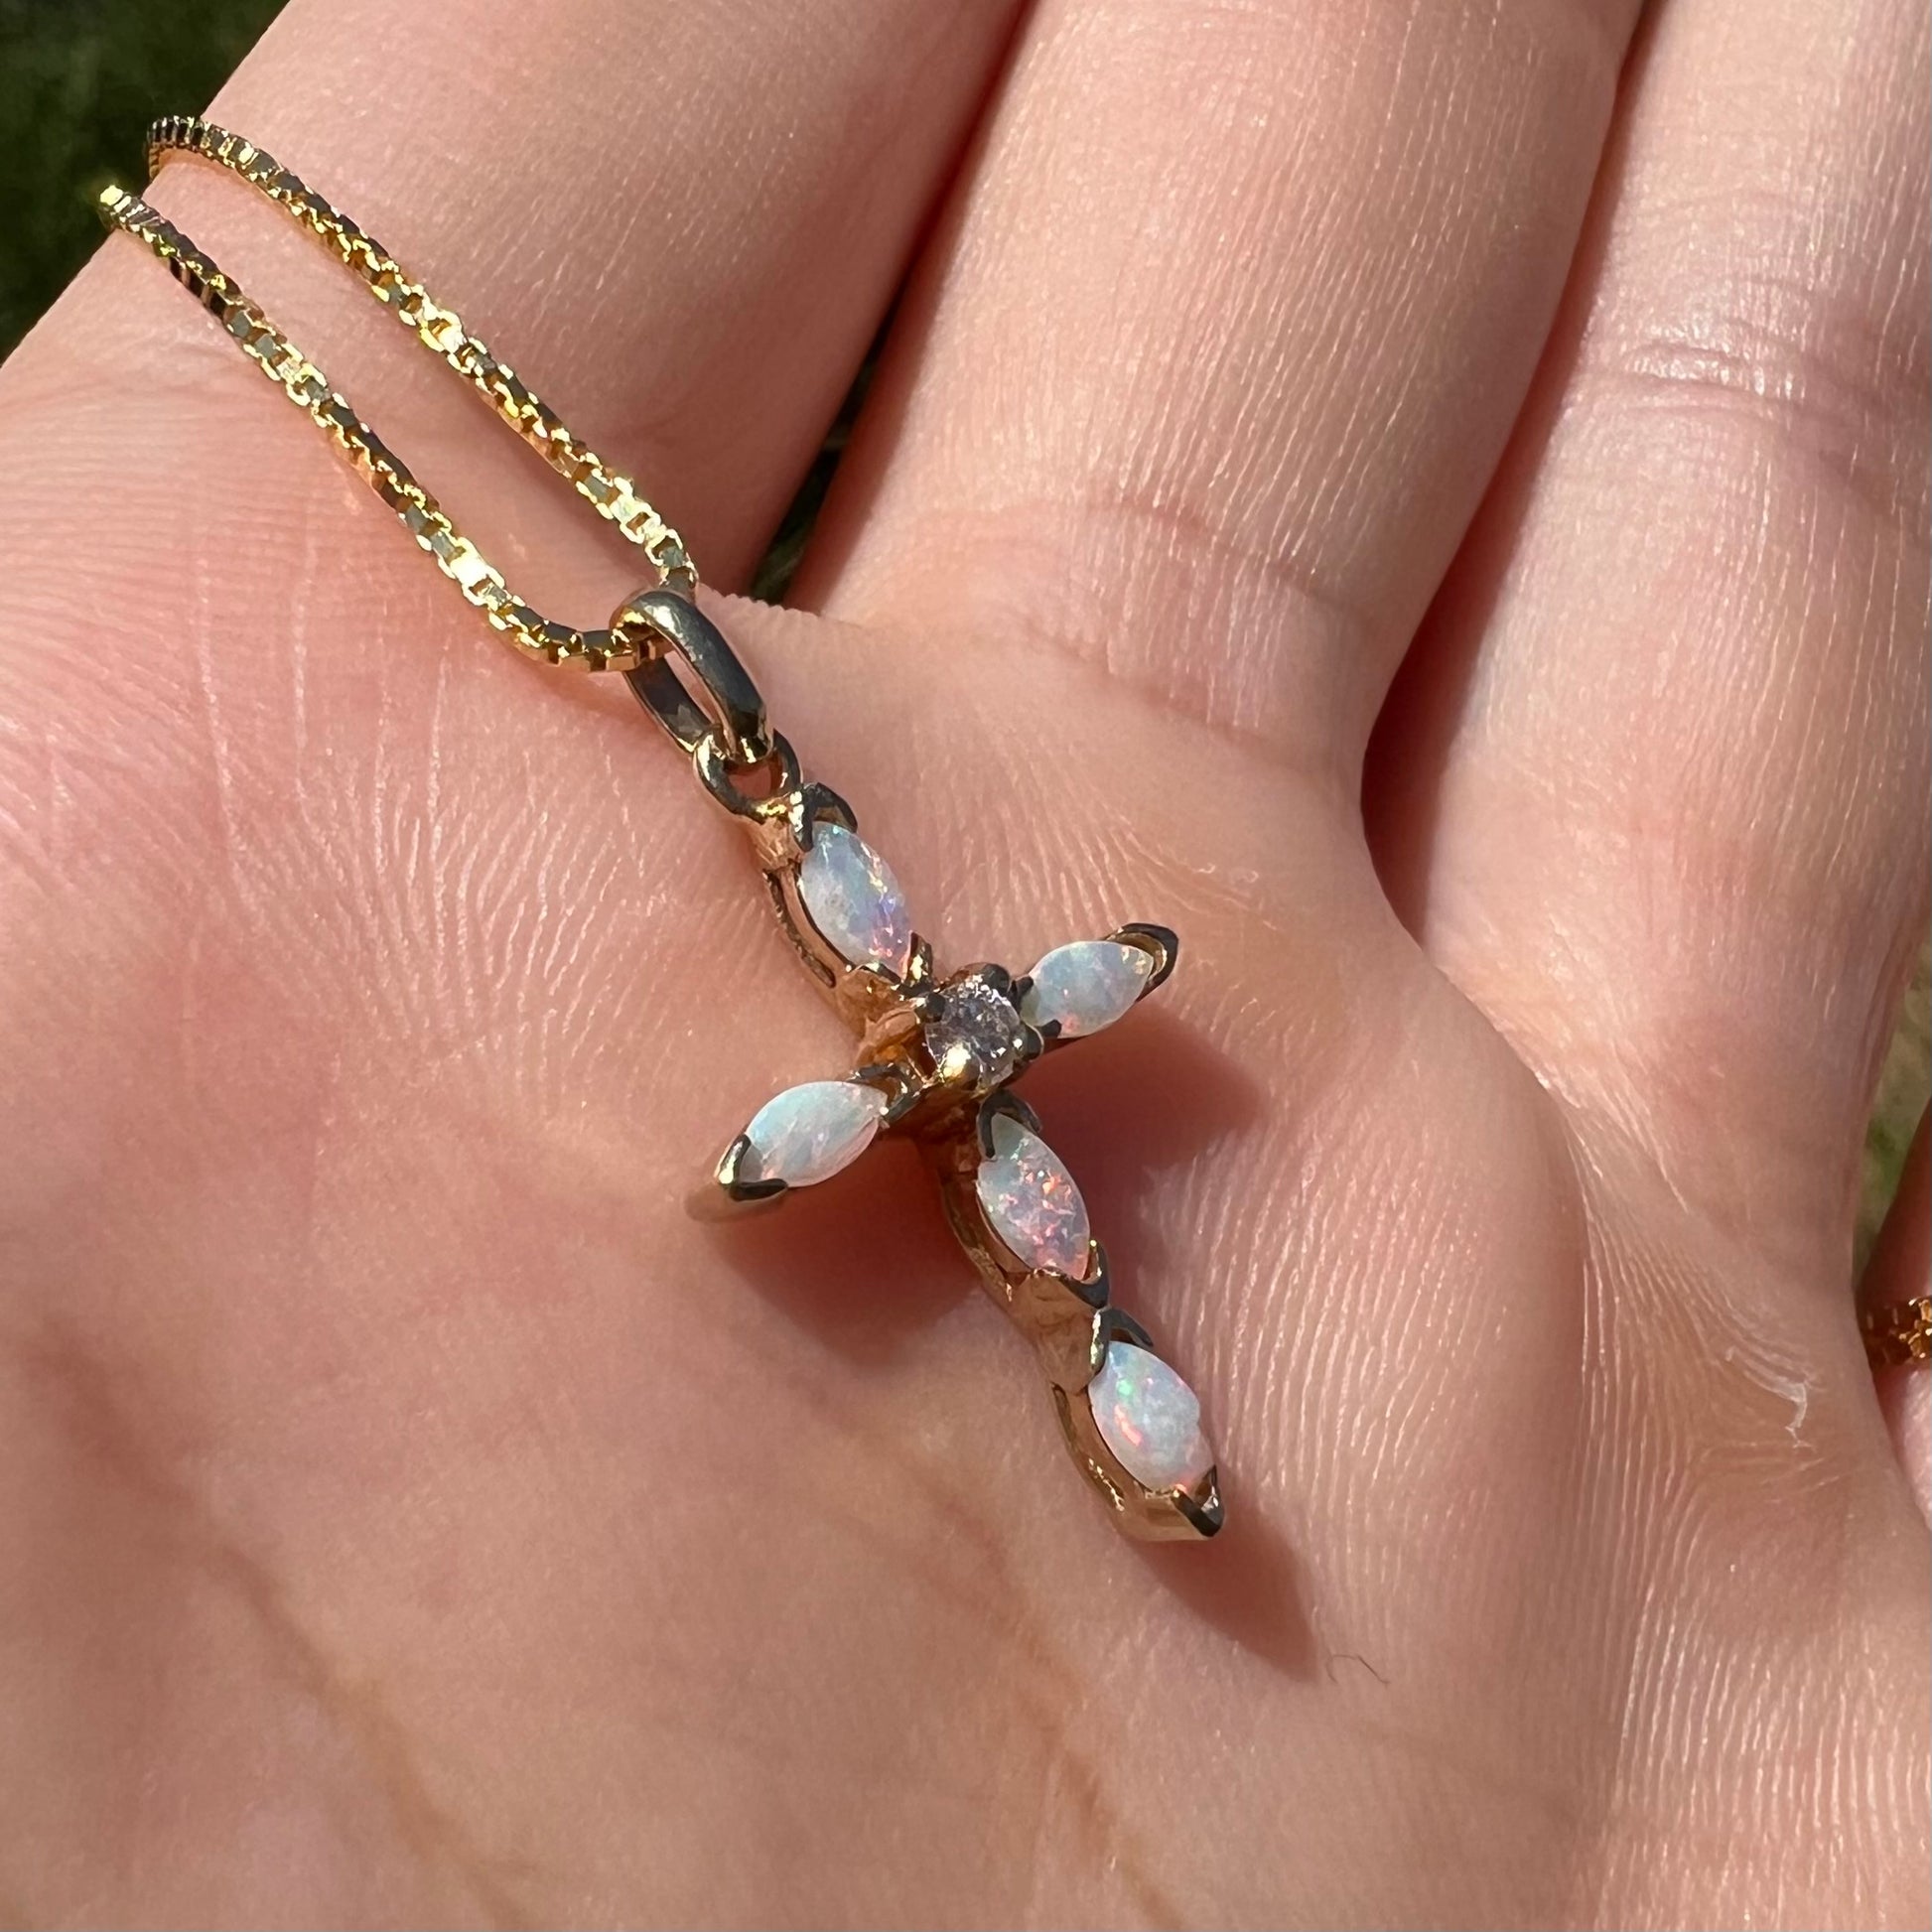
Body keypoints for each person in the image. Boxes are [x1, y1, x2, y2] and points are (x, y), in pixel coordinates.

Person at [0, 0, 1924, 1923]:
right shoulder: (931, 1027)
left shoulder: (923, 1028)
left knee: (1069, 1298)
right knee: (1073, 1311)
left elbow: (1040, 995)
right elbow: (1061, 990)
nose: (960, 1054)